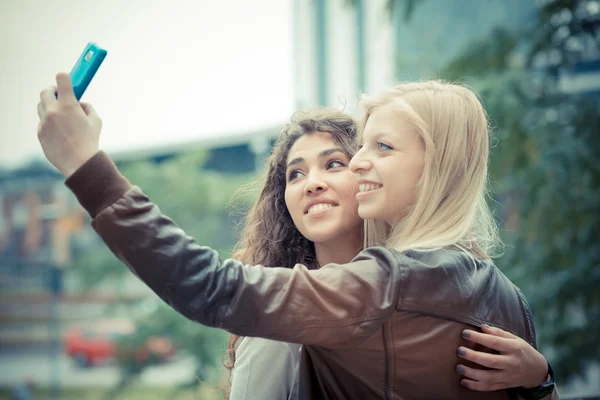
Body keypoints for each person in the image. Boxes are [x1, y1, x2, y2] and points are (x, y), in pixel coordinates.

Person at [37, 74, 558, 399]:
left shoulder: (381, 285)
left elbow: (209, 286)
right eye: (294, 173)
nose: (357, 164)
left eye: (380, 148)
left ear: (436, 167)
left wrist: (87, 167)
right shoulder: (507, 298)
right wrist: (540, 384)